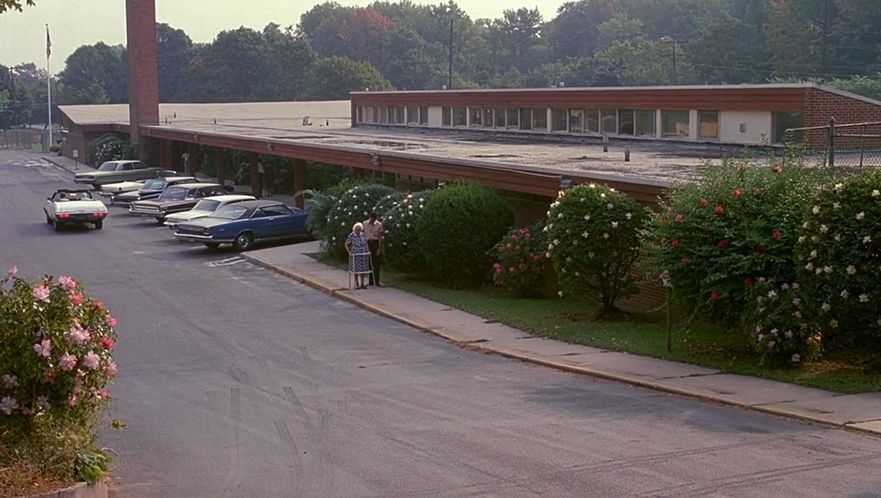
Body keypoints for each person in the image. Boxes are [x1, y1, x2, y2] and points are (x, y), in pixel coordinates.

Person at [345, 222, 371, 289]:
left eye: (359, 230)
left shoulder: (363, 235)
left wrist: (367, 251)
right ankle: (357, 284)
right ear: (354, 229)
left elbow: (365, 243)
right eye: (357, 230)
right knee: (356, 269)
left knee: (362, 269)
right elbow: (346, 244)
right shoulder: (352, 235)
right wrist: (349, 252)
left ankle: (362, 283)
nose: (358, 231)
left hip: (362, 253)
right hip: (355, 253)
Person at [363, 211, 384, 287]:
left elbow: (380, 237)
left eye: (374, 219)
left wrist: (379, 248)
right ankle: (370, 281)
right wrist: (365, 246)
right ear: (370, 218)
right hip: (368, 243)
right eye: (372, 219)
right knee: (369, 263)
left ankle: (377, 281)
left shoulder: (379, 225)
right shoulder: (365, 224)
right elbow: (363, 235)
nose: (373, 221)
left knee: (376, 263)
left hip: (375, 243)